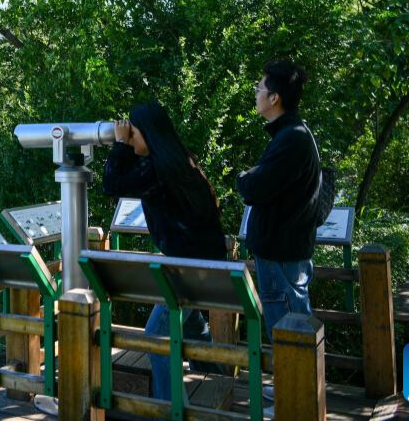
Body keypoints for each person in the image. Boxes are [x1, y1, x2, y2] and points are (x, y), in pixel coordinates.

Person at [102, 101, 227, 406]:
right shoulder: (176, 162)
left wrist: (119, 145)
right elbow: (131, 176)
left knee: (156, 338)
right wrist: (127, 143)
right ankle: (218, 387)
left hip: (187, 269)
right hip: (202, 266)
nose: (130, 140)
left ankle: (171, 410)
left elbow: (111, 184)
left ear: (149, 134)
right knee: (194, 331)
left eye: (133, 135)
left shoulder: (158, 169)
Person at [236, 60, 321, 406]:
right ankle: (292, 389)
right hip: (287, 251)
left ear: (274, 98)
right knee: (293, 324)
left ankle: (295, 403)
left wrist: (243, 179)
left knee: (287, 329)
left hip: (281, 253)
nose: (255, 94)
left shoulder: (291, 140)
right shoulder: (293, 135)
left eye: (259, 89)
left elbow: (255, 186)